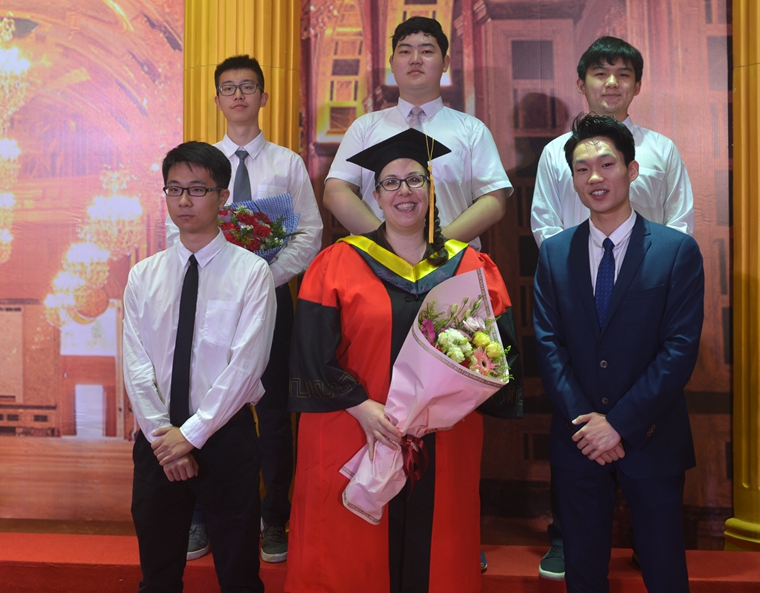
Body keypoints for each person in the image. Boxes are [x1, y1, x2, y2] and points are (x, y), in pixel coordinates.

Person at [285, 128, 523, 593]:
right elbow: (309, 354)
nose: (404, 191)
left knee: (437, 551)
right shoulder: (338, 263)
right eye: (390, 182)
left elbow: (500, 357)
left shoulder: (469, 265)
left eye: (415, 180)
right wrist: (361, 406)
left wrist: (445, 403)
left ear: (431, 190)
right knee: (352, 555)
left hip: (441, 435)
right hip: (356, 430)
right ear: (375, 196)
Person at [530, 36, 695, 580]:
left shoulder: (674, 252)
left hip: (651, 430)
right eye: (584, 170)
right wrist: (589, 424)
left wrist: (618, 424)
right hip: (577, 433)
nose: (595, 178)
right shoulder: (556, 255)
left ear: (631, 170)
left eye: (608, 165)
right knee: (583, 574)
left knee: (664, 571)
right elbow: (548, 345)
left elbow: (678, 349)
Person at [168, 55, 323, 563]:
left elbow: (310, 234)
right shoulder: (199, 163)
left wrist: (258, 282)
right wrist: (223, 283)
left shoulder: (287, 164)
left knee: (274, 414)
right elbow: (176, 231)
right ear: (216, 99)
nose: (238, 95)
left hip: (272, 300)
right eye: (229, 88)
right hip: (207, 302)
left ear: (263, 97)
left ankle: (274, 518)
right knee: (202, 404)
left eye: (248, 86)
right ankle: (199, 516)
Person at [123, 141, 277, 592]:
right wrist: (164, 437)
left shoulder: (251, 272)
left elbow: (246, 366)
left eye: (196, 189)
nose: (184, 201)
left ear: (222, 197)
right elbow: (136, 362)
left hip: (225, 436)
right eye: (174, 189)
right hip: (157, 441)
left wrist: (191, 435)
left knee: (238, 575)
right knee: (157, 576)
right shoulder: (144, 275)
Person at [323, 16, 512, 252]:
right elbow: (336, 191)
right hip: (375, 262)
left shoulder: (472, 130)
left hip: (451, 261)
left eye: (426, 51)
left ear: (445, 62)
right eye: (405, 52)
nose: (415, 59)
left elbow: (493, 200)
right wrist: (388, 245)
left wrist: (435, 247)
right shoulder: (364, 127)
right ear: (392, 63)